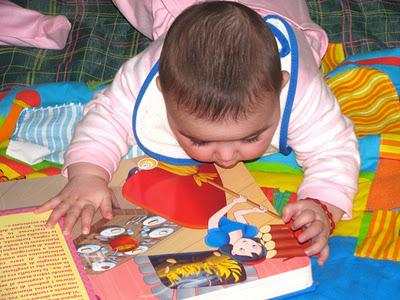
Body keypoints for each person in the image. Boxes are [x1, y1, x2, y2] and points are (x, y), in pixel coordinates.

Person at [35, 1, 360, 266]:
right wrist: (88, 173)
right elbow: (109, 114)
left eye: (250, 138)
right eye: (201, 140)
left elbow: (334, 149)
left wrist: (323, 204)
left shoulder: (302, 90)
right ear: (162, 92)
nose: (227, 157)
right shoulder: (147, 73)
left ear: (281, 86)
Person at [205, 195, 267, 264]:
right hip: (218, 206)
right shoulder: (247, 232)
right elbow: (238, 214)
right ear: (258, 244)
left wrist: (234, 202)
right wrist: (253, 210)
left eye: (242, 249)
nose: (246, 244)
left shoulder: (219, 240)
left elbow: (213, 219)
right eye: (254, 246)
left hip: (204, 214)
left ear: (233, 252)